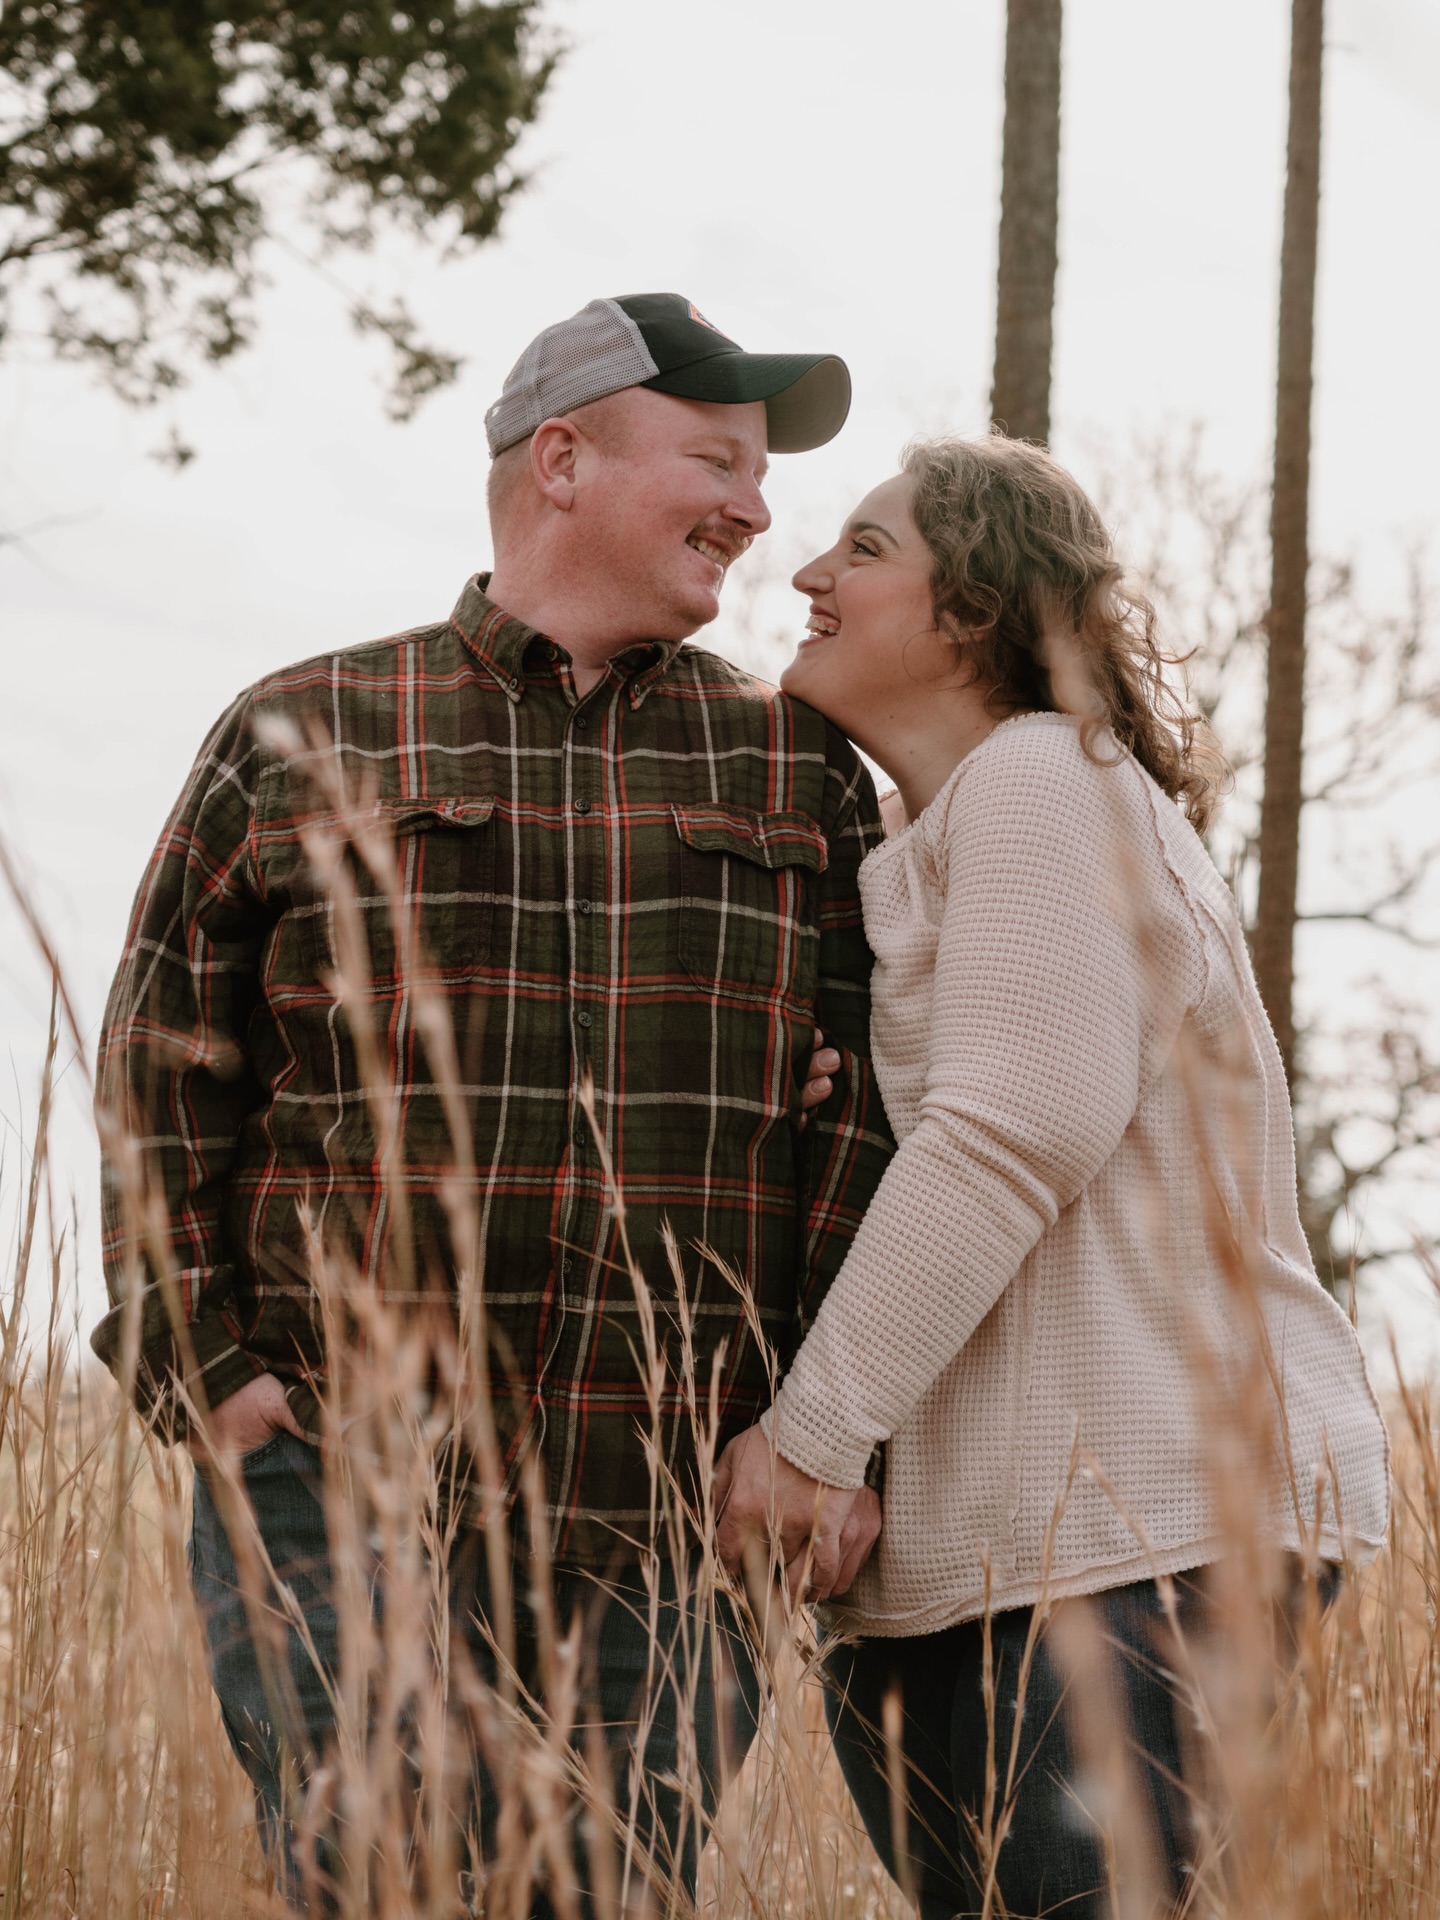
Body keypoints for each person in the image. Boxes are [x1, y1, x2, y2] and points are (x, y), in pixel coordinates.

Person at [91, 293, 892, 1910]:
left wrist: (810, 1428)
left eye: (761, 472)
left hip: (665, 1521)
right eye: (717, 459)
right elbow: (159, 1075)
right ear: (565, 457)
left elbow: (869, 1114)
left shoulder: (798, 770)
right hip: (339, 1482)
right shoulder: (303, 730)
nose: (755, 507)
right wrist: (221, 1393)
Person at [714, 434, 1391, 1917]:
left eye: (866, 549)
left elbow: (1009, 1133)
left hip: (1133, 1532)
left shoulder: (1042, 775)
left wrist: (814, 1440)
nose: (811, 575)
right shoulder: (941, 834)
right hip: (981, 1559)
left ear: (979, 610)